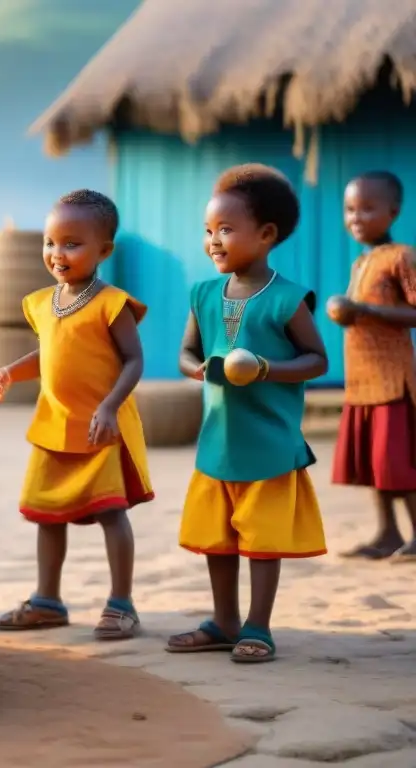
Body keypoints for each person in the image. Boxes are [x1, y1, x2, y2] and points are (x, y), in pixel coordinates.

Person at [168, 164, 328, 663]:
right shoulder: (203, 293)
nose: (213, 240)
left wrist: (262, 368)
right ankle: (223, 621)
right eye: (208, 231)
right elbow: (186, 353)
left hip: (269, 444)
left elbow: (317, 359)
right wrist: (199, 371)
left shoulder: (286, 298)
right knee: (218, 539)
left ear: (266, 235)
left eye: (226, 230)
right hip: (218, 441)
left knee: (261, 539)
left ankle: (258, 625)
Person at [0, 190, 152, 639]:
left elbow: (134, 361)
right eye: (49, 242)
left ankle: (122, 603)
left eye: (71, 244)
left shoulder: (111, 303)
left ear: (104, 250)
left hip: (101, 429)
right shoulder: (43, 303)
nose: (56, 254)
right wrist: (12, 371)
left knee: (111, 513)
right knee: (46, 514)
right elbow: (50, 352)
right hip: (54, 426)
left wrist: (109, 405)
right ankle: (47, 599)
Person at [327, 171, 416, 561]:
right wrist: (346, 313)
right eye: (349, 209)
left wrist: (362, 309)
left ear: (393, 212)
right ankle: (387, 533)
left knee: (396, 461)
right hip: (361, 381)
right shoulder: (362, 262)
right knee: (374, 465)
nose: (356, 217)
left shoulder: (402, 257)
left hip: (394, 380)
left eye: (367, 208)